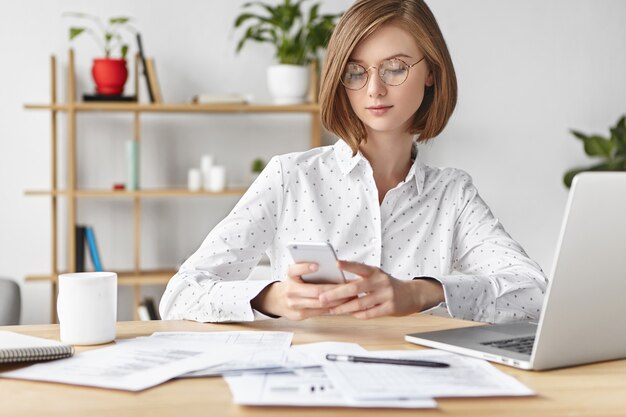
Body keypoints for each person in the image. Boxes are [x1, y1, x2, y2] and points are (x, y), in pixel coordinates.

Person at [160, 0, 547, 324]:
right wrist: (273, 298)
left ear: (430, 72)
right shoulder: (290, 177)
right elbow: (179, 295)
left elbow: (533, 294)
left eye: (395, 67)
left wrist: (420, 293)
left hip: (418, 389)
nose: (374, 89)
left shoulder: (451, 193)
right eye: (355, 73)